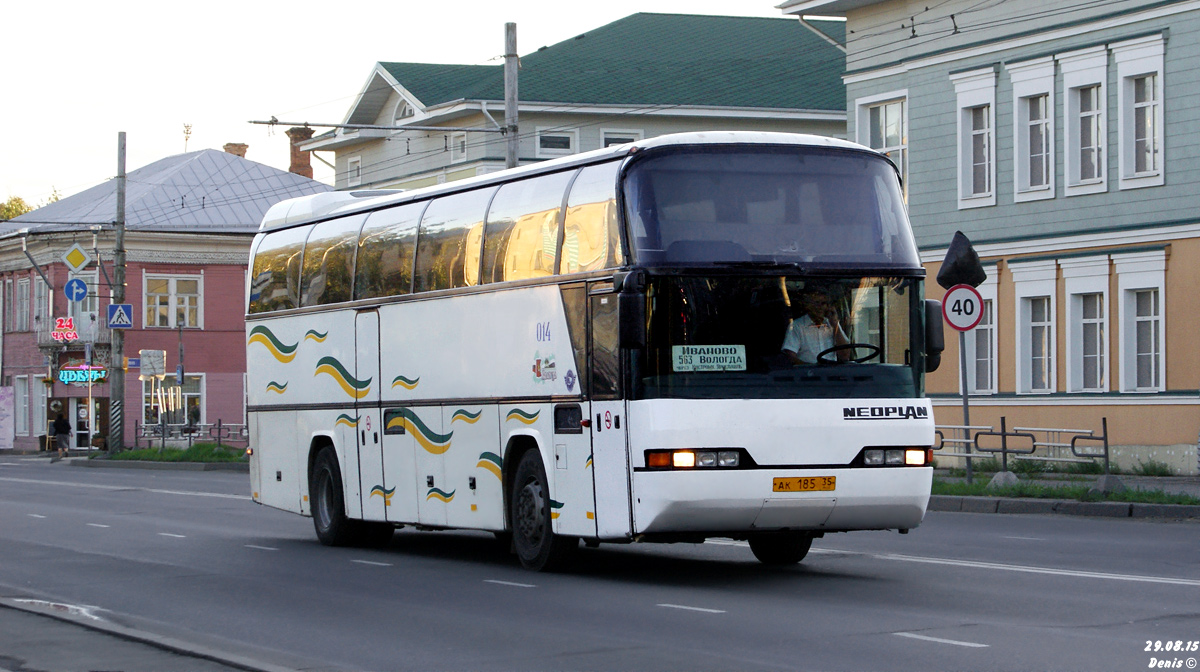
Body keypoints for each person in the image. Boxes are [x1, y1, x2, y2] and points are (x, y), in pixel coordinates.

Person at [781, 290, 850, 365]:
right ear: (807, 305)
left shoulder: (832, 324)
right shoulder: (797, 326)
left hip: (831, 373)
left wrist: (835, 324)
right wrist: (811, 368)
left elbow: (845, 356)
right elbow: (790, 357)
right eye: (816, 303)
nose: (819, 307)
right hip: (807, 374)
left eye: (823, 303)